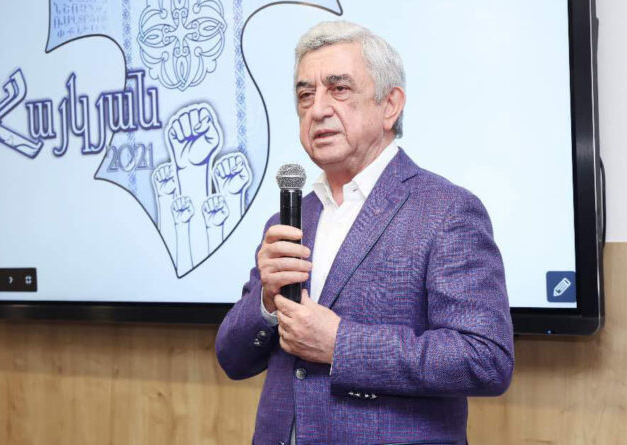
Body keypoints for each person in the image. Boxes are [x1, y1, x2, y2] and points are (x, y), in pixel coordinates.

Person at [215, 20, 514, 445]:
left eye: (339, 89)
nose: (317, 109)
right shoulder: (291, 219)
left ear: (390, 105)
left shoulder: (447, 210)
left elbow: (485, 359)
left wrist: (341, 344)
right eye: (305, 95)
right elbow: (232, 358)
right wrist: (266, 301)